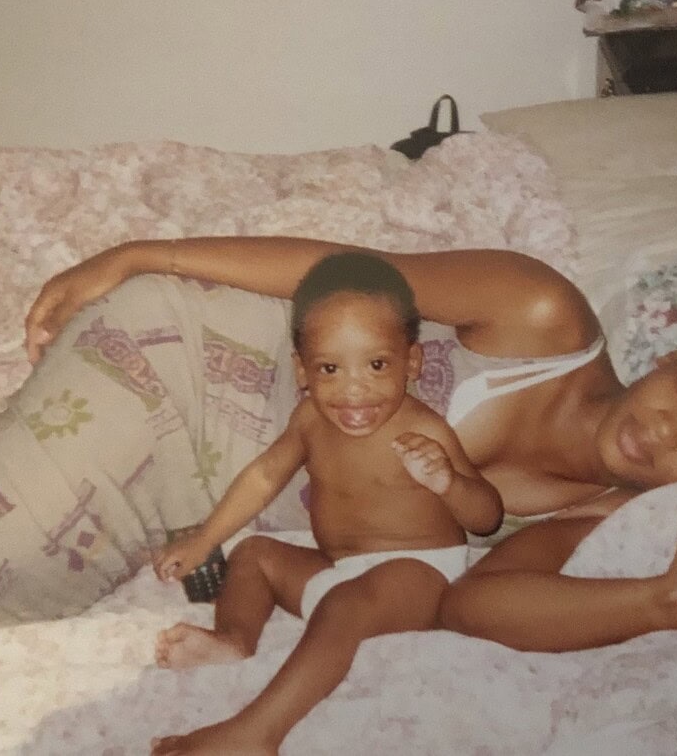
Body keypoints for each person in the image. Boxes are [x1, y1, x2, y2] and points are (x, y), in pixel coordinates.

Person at [0, 236, 677, 650]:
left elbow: (476, 606)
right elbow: (343, 275)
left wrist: (673, 600)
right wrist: (138, 257)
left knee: (6, 595)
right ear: (673, 356)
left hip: (203, 484)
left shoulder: (595, 513)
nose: (667, 428)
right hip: (178, 361)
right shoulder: (545, 316)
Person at [149, 252, 502, 754]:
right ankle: (234, 640)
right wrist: (206, 538)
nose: (354, 389)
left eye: (376, 364)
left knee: (346, 603)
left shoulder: (425, 430)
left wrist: (447, 483)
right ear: (302, 370)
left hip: (419, 578)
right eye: (330, 368)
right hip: (336, 574)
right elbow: (265, 475)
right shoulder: (309, 419)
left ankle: (256, 734)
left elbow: (487, 518)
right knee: (254, 554)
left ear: (412, 362)